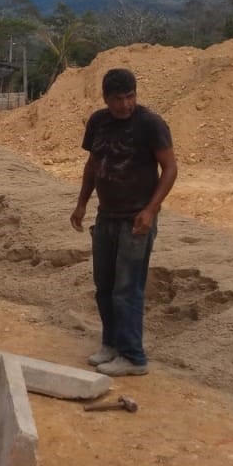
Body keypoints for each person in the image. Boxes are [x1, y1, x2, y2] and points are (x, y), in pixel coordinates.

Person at [70, 68, 177, 376]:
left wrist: (151, 210)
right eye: (118, 99)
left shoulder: (150, 124)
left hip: (136, 220)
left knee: (127, 288)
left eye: (130, 97)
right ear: (106, 99)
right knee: (103, 285)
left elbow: (170, 168)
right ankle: (111, 344)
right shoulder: (98, 123)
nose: (125, 105)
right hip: (106, 216)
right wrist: (81, 203)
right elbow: (92, 165)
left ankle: (133, 357)